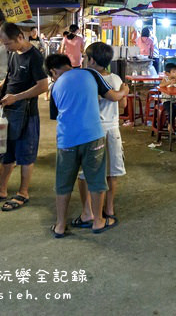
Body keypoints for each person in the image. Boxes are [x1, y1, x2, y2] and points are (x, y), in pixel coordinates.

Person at [0, 22, 48, 211]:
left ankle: (23, 193)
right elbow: (10, 76)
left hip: (26, 113)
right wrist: (0, 89)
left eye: (8, 44)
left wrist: (17, 97)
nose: (6, 48)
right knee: (6, 152)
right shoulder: (14, 54)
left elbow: (43, 86)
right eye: (3, 44)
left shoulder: (35, 57)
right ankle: (1, 189)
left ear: (20, 38)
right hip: (8, 110)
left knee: (25, 154)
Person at [45, 54, 117, 237]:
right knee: (96, 179)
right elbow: (111, 95)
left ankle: (60, 225)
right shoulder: (90, 74)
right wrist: (123, 91)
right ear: (69, 64)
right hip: (92, 136)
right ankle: (98, 221)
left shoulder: (54, 87)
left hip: (67, 140)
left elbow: (56, 115)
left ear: (53, 72)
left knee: (63, 183)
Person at [73, 43, 129, 229]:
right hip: (112, 129)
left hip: (90, 130)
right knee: (111, 172)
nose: (82, 60)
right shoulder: (116, 79)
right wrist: (123, 92)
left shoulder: (85, 78)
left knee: (85, 173)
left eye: (84, 57)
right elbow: (123, 106)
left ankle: (87, 211)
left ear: (92, 60)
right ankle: (109, 209)